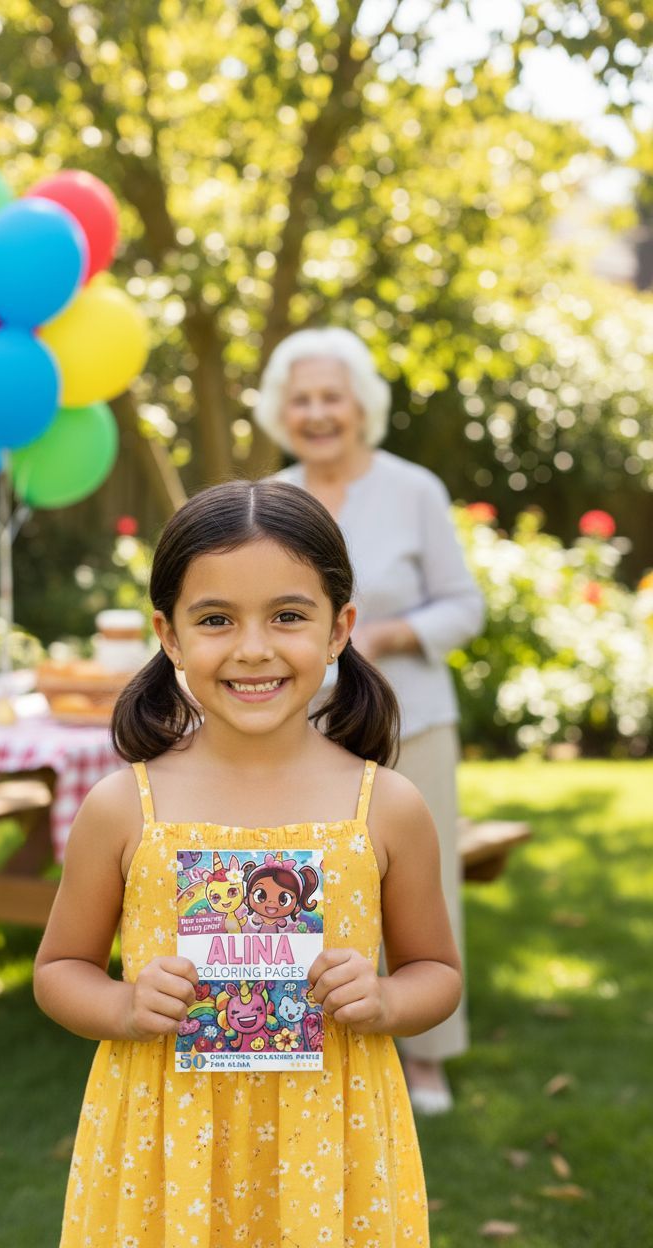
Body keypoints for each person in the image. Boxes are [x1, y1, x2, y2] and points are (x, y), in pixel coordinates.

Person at [34, 479, 462, 1247]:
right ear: (168, 635)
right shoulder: (124, 808)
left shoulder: (387, 808)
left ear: (340, 629)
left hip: (333, 1144)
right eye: (216, 619)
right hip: (163, 1145)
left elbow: (438, 970)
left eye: (289, 616)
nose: (254, 648)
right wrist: (124, 1008)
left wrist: (389, 1001)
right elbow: (60, 967)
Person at [254, 328, 485, 1114]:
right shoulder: (273, 499)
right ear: (282, 413)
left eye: (331, 397)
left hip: (409, 720)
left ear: (360, 408)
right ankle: (307, 1036)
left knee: (424, 889)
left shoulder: (412, 489)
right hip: (303, 731)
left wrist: (380, 635)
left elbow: (466, 605)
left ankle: (427, 1058)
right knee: (313, 886)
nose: (317, 414)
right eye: (302, 399)